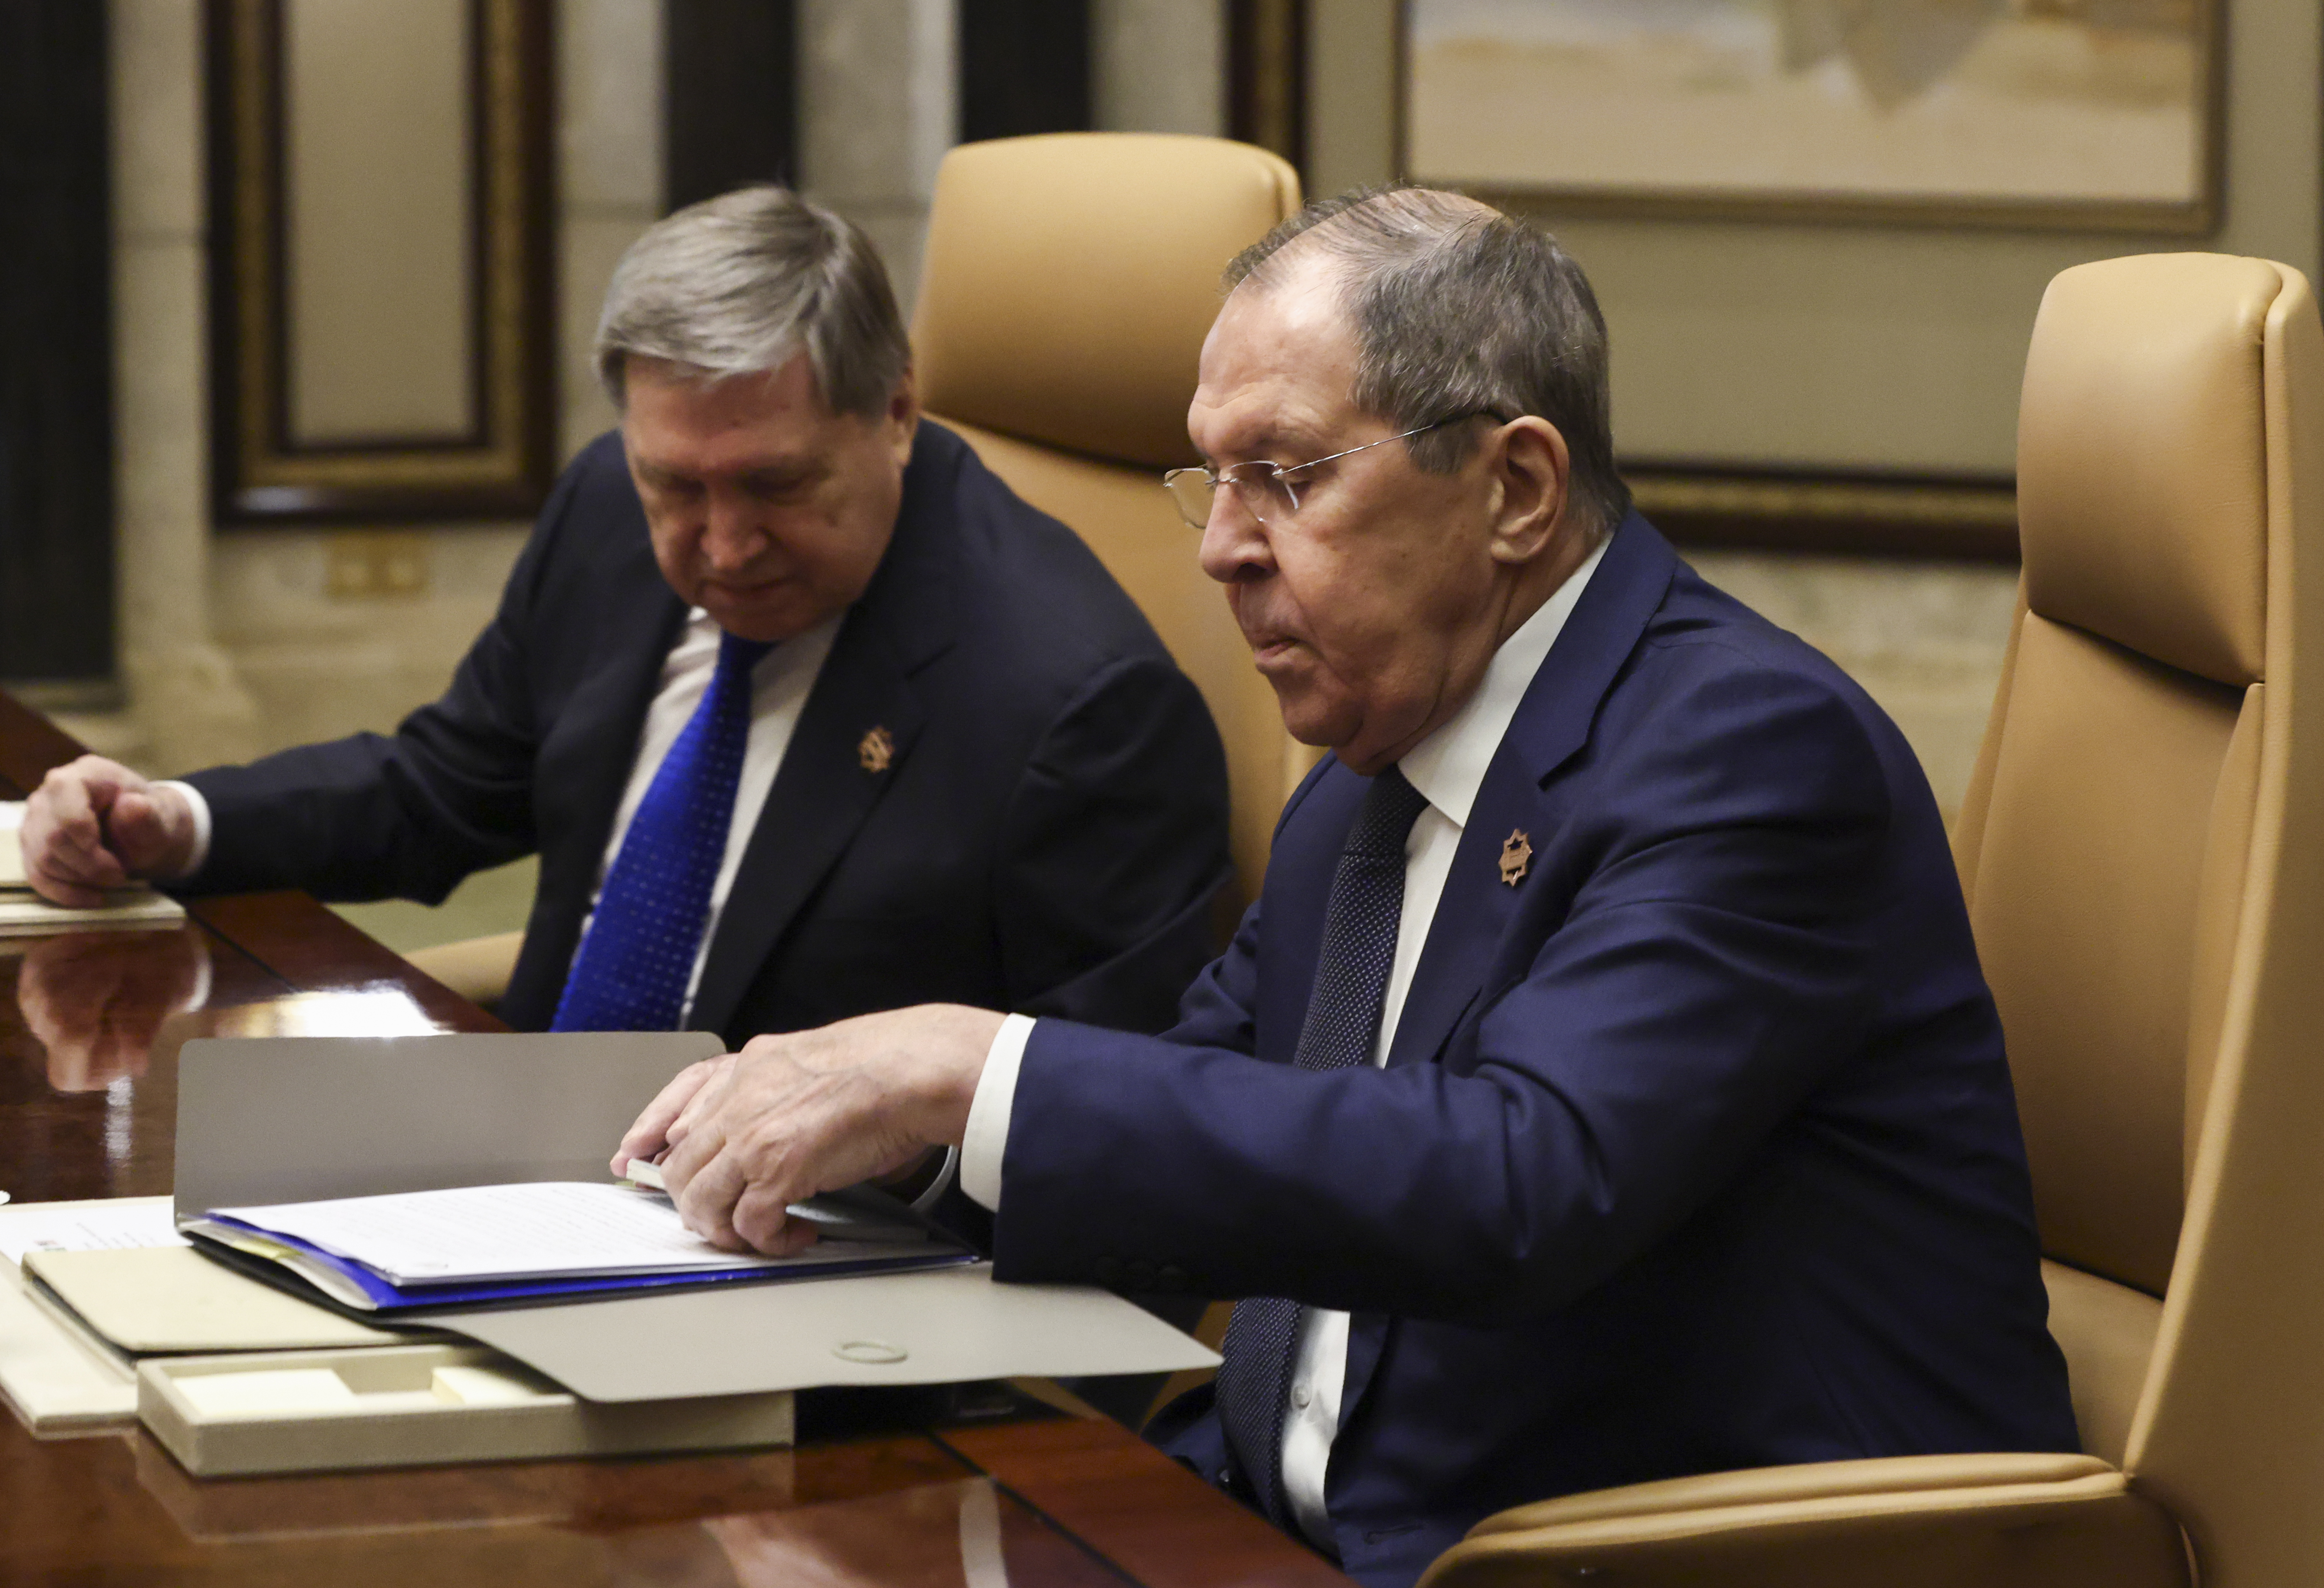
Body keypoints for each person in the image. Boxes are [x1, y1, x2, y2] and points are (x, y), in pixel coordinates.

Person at [610, 186, 2081, 1588]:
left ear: (1513, 487)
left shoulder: (1744, 752)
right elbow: (1198, 1124)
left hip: (1633, 1550)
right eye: (1213, 475)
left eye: (1288, 476)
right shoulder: (1375, 773)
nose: (1221, 547)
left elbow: (1517, 1178)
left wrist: (973, 1064)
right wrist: (899, 1139)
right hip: (1264, 1521)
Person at [16, 187, 1231, 1049]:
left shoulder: (1075, 707)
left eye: (774, 485)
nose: (719, 546)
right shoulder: (607, 504)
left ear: (897, 412)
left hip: (813, 1266)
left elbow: (1107, 1117)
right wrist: (173, 823)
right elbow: (448, 786)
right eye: (676, 486)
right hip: (532, 1164)